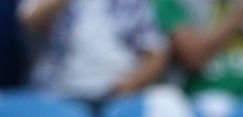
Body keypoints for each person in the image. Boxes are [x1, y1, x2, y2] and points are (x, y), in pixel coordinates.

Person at [153, 0, 243, 117]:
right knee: (218, 109)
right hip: (206, 95)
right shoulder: (173, 2)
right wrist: (242, 12)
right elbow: (193, 57)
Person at [17, 0, 169, 102]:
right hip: (59, 94)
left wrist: (133, 83)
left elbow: (156, 51)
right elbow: (31, 21)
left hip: (118, 94)